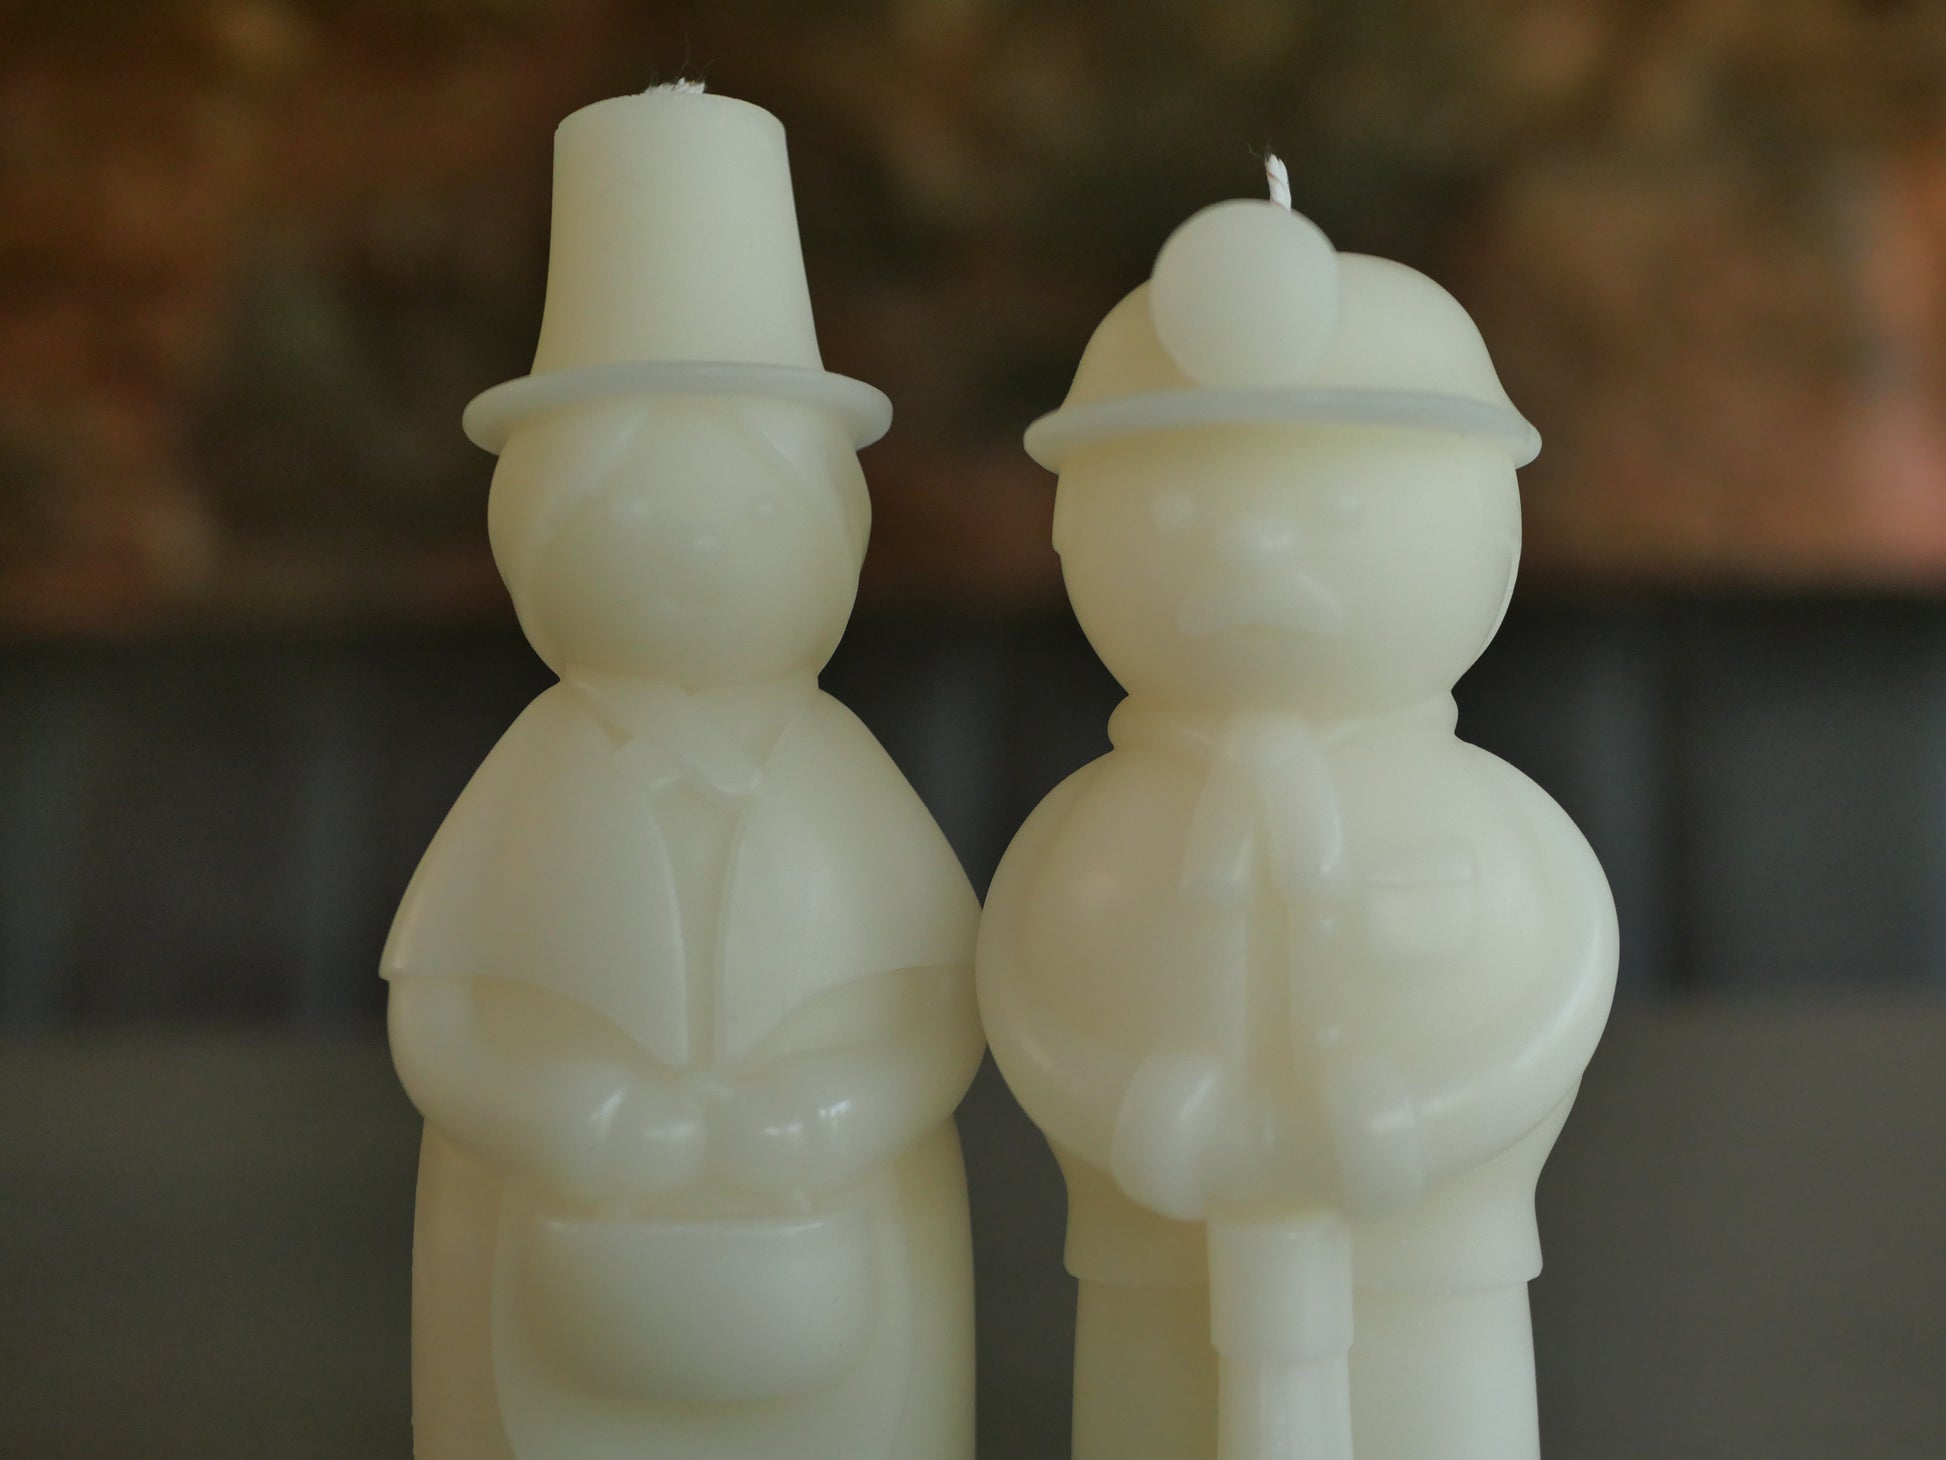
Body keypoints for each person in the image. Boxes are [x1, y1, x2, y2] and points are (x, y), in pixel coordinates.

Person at [977, 183, 1618, 1460]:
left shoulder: (1498, 822)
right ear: (1071, 525)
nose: (1253, 553)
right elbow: (1015, 982)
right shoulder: (1082, 833)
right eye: (1177, 508)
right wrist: (1119, 1116)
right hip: (1150, 1243)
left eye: (1331, 513)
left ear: (1491, 516)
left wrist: (1425, 1123)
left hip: (1429, 1255)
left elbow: (1564, 984)